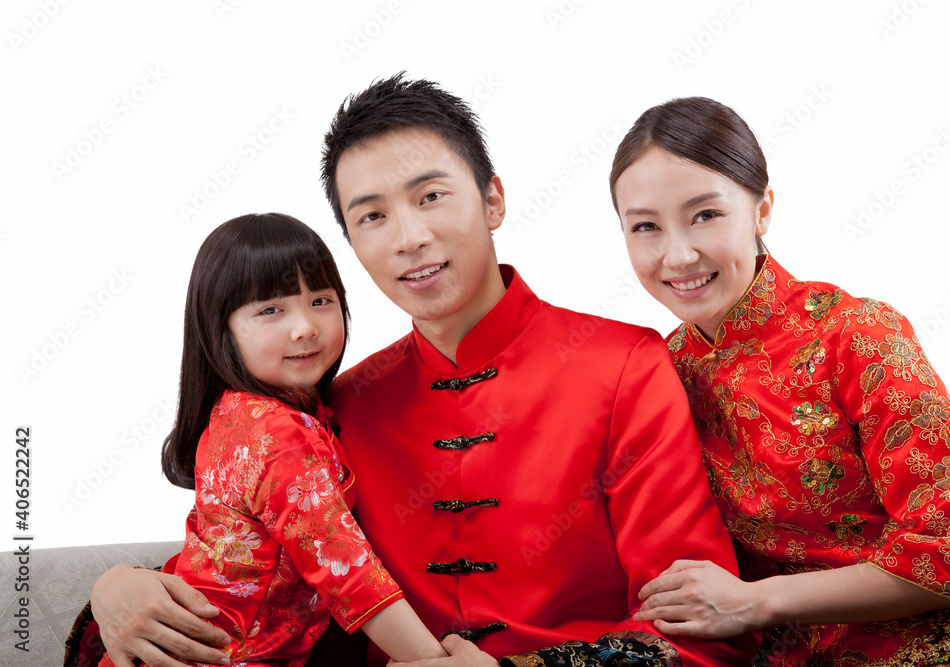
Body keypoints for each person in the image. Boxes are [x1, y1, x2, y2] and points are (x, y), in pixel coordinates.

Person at [86, 77, 758, 667]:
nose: (407, 237)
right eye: (372, 215)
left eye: (430, 196)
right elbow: (250, 555)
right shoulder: (342, 404)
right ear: (352, 244)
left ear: (493, 199)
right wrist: (113, 587)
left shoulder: (625, 367)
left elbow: (700, 636)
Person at [609, 96, 950, 665]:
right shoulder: (659, 370)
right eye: (645, 226)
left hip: (938, 652)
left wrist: (756, 602)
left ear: (762, 209)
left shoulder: (856, 335)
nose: (678, 254)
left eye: (706, 214)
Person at [97, 213, 447, 666]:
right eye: (270, 310)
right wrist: (436, 661)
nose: (305, 327)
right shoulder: (277, 431)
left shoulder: (242, 411)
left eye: (321, 300)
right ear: (220, 328)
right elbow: (346, 572)